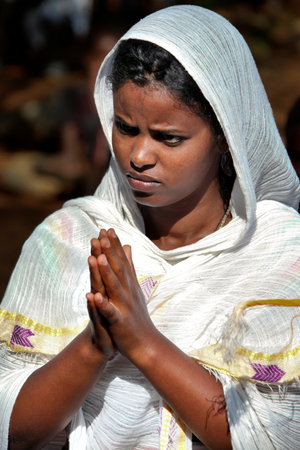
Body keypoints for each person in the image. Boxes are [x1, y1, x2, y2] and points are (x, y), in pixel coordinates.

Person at [0, 5, 299, 449]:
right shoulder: (66, 239)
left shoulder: (276, 255)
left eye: (168, 137)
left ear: (223, 135)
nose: (139, 155)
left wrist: (142, 341)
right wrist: (94, 346)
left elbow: (273, 437)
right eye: (125, 127)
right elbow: (14, 429)